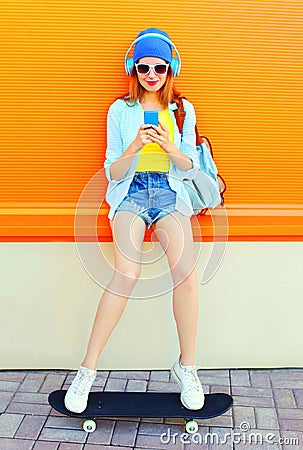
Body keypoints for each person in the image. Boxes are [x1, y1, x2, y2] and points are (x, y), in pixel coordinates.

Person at [64, 28, 204, 413]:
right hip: (130, 194)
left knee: (186, 274)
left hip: (170, 193)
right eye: (144, 67)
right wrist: (135, 145)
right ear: (134, 68)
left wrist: (168, 145)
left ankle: (186, 366)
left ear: (170, 67)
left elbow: (189, 167)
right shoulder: (119, 111)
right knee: (126, 274)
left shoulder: (182, 110)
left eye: (159, 66)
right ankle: (86, 371)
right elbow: (112, 172)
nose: (152, 74)